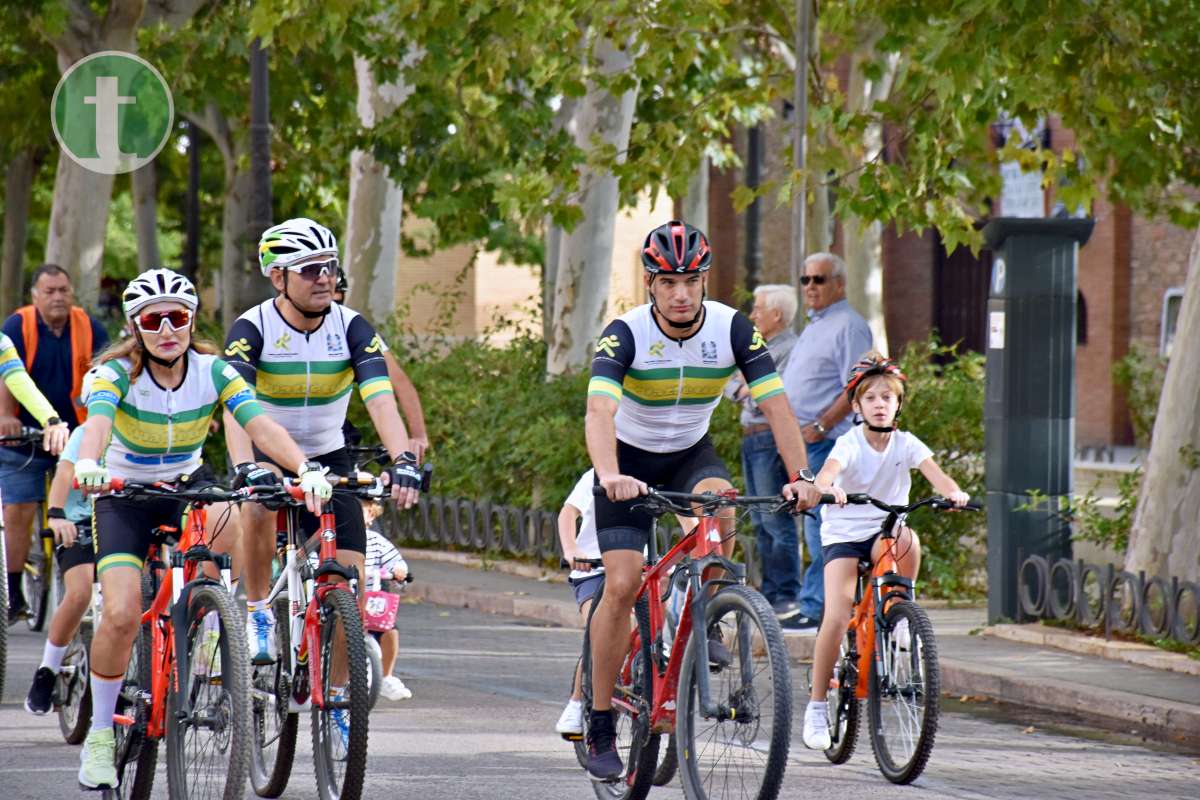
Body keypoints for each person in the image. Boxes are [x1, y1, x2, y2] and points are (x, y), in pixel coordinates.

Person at [71, 268, 332, 790]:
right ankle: (100, 733)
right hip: (124, 493)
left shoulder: (214, 371)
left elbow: (260, 424)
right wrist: (90, 463)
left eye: (178, 317)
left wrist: (304, 468)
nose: (167, 328)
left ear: (191, 321)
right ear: (135, 326)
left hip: (187, 484)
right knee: (122, 614)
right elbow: (97, 422)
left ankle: (216, 630)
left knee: (233, 522)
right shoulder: (115, 373)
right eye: (153, 318)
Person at [583, 220, 822, 781]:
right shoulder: (626, 333)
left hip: (691, 453)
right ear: (649, 284)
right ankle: (598, 720)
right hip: (628, 462)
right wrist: (609, 473)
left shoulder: (733, 328)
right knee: (621, 586)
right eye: (669, 282)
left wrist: (802, 476)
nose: (682, 292)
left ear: (706, 279)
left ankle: (709, 612)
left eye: (691, 280)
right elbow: (599, 412)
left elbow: (777, 405)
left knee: (721, 503)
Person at [223, 218, 424, 665]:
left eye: (329, 267)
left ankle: (336, 705)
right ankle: (258, 610)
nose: (325, 278)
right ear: (278, 277)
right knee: (258, 504)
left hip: (330, 453)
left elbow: (379, 398)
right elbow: (236, 406)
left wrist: (404, 458)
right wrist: (244, 465)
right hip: (268, 450)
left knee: (349, 586)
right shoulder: (251, 328)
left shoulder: (353, 327)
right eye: (309, 269)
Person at [800, 354, 969, 750]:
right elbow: (828, 472)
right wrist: (828, 488)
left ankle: (900, 612)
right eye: (871, 398)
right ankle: (817, 706)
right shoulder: (850, 443)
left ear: (898, 405)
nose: (880, 404)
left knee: (906, 537)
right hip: (844, 532)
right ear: (856, 407)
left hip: (883, 527)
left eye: (887, 398)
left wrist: (953, 494)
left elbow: (936, 474)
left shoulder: (906, 443)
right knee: (838, 614)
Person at [0, 264, 106, 622]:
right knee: (18, 509)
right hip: (24, 437)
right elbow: (9, 375)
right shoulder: (17, 326)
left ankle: (88, 579)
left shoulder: (91, 328)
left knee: (86, 507)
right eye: (50, 291)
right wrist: (5, 416)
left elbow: (107, 373)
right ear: (34, 296)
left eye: (64, 289)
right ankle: (13, 593)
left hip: (77, 435)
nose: (58, 297)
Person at [779, 252, 873, 631]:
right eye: (805, 280)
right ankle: (817, 603)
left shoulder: (848, 326)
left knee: (822, 527)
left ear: (839, 284)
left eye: (819, 280)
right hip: (804, 444)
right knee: (810, 526)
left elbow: (858, 384)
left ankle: (818, 607)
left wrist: (820, 424)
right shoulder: (816, 324)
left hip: (827, 443)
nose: (811, 288)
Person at [724, 284, 806, 627]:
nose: (753, 315)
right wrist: (745, 388)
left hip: (770, 438)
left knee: (776, 519)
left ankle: (786, 594)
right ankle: (769, 591)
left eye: (758, 309)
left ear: (777, 315)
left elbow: (771, 397)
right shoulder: (758, 348)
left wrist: (749, 389)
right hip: (751, 437)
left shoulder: (789, 348)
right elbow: (730, 385)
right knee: (759, 519)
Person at [24, 375, 99, 715]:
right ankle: (47, 670)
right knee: (80, 591)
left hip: (123, 521)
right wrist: (56, 516)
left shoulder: (139, 436)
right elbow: (65, 474)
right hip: (79, 524)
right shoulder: (83, 436)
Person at [314, 500, 413, 702]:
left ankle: (385, 676)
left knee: (390, 630)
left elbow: (396, 561)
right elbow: (315, 560)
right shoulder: (333, 539)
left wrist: (399, 571)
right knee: (330, 627)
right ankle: (322, 671)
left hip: (372, 602)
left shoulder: (377, 541)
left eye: (363, 512)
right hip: (339, 601)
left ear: (371, 516)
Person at [334, 272, 429, 461]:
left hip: (334, 431)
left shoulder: (354, 331)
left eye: (338, 302)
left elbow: (399, 384)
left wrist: (418, 437)